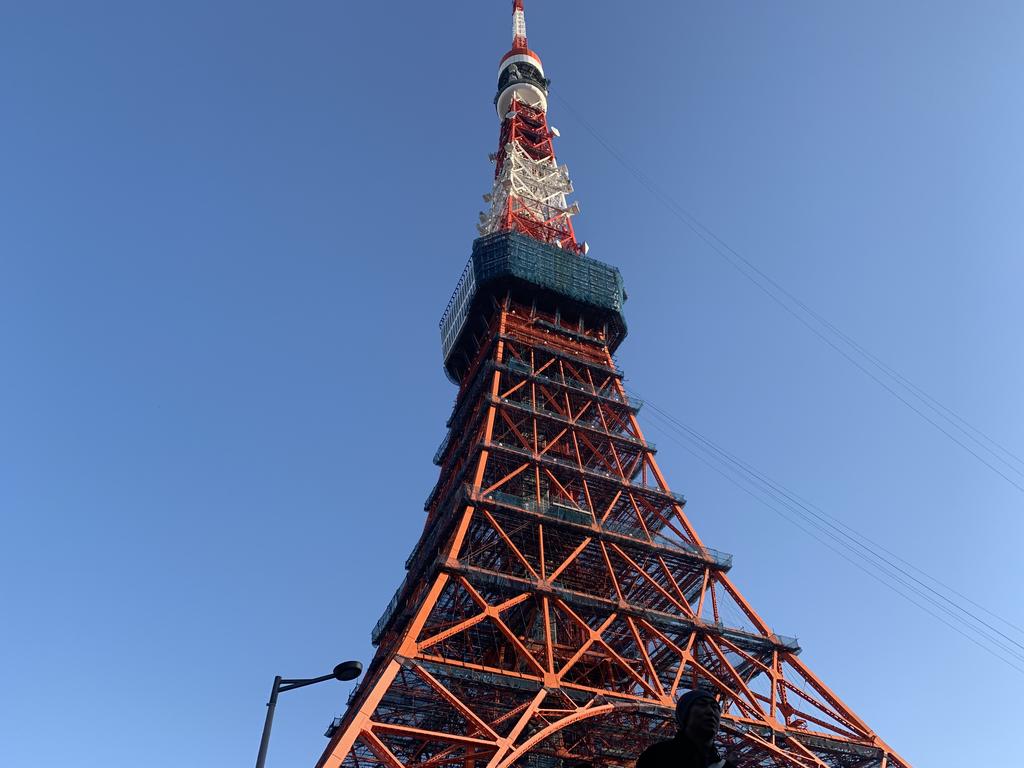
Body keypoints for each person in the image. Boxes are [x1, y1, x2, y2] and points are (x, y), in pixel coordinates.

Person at [635, 690, 736, 768]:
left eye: (715, 707)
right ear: (685, 715)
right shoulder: (657, 756)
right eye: (702, 704)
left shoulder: (726, 766)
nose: (711, 712)